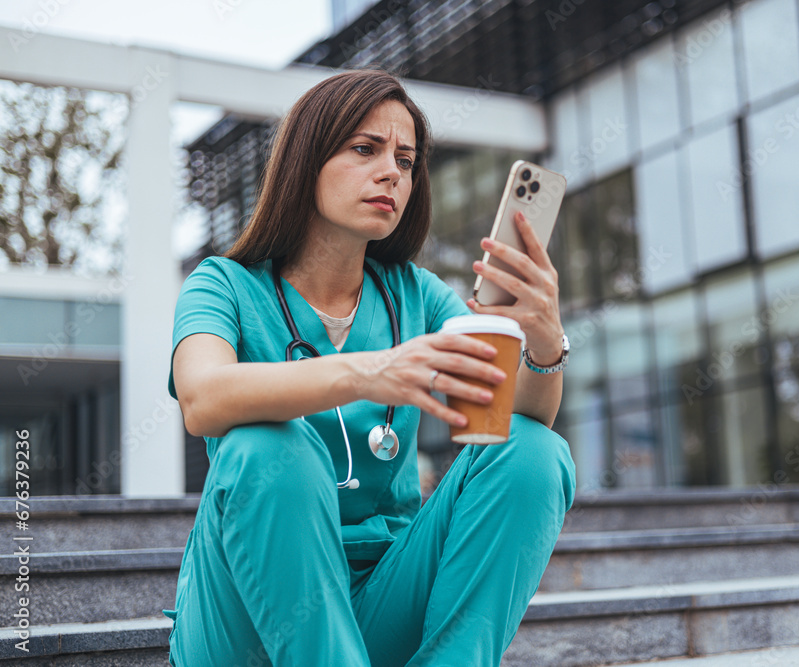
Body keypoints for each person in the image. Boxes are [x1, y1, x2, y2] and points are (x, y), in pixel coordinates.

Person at [161, 69, 576, 667]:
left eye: (406, 161)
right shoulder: (221, 285)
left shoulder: (417, 295)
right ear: (306, 162)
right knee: (264, 444)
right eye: (365, 149)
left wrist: (541, 342)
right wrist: (366, 371)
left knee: (537, 450)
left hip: (381, 597)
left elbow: (511, 419)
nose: (392, 173)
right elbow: (203, 399)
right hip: (246, 619)